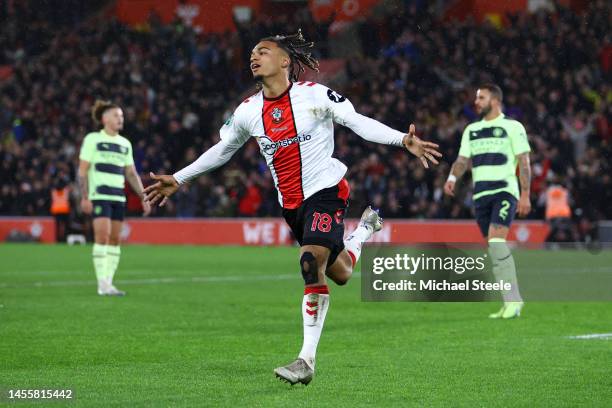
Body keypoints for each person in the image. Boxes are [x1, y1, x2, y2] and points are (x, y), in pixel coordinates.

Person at [144, 30, 441, 385]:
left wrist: (400, 139)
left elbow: (357, 121)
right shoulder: (248, 111)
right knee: (341, 272)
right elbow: (222, 150)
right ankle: (365, 229)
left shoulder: (315, 96)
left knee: (308, 262)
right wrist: (179, 178)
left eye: (263, 52)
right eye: (252, 53)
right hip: (292, 206)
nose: (254, 57)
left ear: (285, 61)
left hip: (326, 190)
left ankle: (306, 360)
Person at [444, 83, 531, 319]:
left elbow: (523, 161)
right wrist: (452, 177)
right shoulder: (471, 130)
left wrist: (525, 194)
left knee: (496, 243)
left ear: (495, 101)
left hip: (504, 191)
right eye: (476, 97)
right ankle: (509, 302)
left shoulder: (512, 127)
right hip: (480, 196)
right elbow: (462, 160)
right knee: (494, 250)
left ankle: (514, 301)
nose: (476, 101)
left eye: (481, 97)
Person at [78, 100, 151, 296]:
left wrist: (144, 196)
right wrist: (84, 197)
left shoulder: (124, 143)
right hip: (99, 195)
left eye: (122, 116)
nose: (121, 119)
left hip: (118, 197)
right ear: (104, 119)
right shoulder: (92, 139)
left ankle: (109, 283)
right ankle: (102, 284)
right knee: (102, 237)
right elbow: (82, 171)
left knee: (116, 239)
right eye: (116, 115)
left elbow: (131, 173)